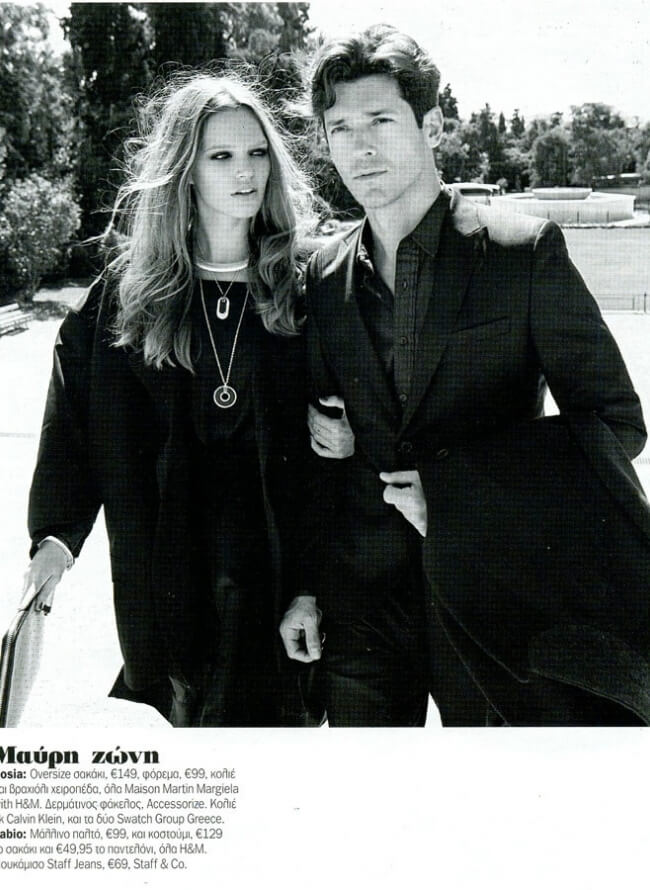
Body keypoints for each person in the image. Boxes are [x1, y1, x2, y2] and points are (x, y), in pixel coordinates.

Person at [281, 24, 650, 726]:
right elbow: (319, 453)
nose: (361, 147)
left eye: (381, 121)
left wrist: (458, 495)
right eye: (341, 129)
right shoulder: (322, 276)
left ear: (433, 126)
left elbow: (616, 425)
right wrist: (303, 583)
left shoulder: (523, 254)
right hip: (362, 605)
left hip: (496, 593)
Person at [23, 72, 352, 727]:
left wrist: (311, 582)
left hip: (273, 575)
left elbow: (340, 440)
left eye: (257, 153)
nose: (245, 171)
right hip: (164, 568)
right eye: (221, 156)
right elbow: (75, 423)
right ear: (186, 172)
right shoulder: (129, 295)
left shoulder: (304, 287)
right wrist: (55, 538)